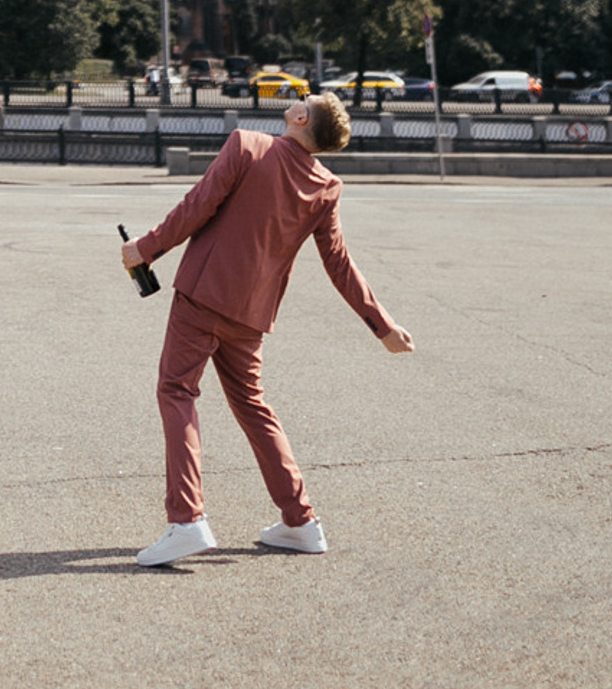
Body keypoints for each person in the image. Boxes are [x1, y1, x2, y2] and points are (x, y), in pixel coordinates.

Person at [119, 90, 413, 564]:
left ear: (300, 117)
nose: (299, 98)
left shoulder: (246, 146)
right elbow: (340, 264)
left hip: (201, 295)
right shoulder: (326, 187)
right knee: (254, 407)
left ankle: (187, 520)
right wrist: (383, 326)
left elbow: (197, 207)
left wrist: (146, 249)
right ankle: (301, 522)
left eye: (304, 97)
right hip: (251, 315)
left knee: (177, 391)